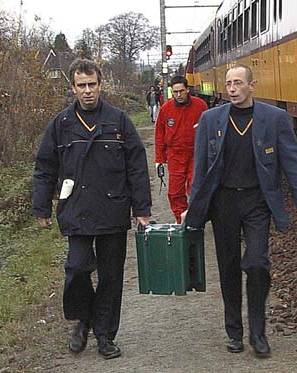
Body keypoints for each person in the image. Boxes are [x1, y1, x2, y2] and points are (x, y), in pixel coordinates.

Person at [182, 64, 297, 358]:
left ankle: (258, 331)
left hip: (256, 202)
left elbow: (292, 161)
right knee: (228, 268)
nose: (231, 88)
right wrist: (193, 209)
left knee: (256, 263)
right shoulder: (210, 119)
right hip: (223, 203)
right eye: (228, 83)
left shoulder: (274, 119)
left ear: (251, 86)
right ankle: (234, 333)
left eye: (238, 83)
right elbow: (201, 168)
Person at [32, 58, 151, 360]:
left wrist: (142, 207)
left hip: (112, 209)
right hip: (77, 210)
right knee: (77, 268)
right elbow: (45, 168)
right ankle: (82, 321)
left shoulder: (118, 120)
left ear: (100, 85)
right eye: (81, 86)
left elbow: (136, 165)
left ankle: (105, 335)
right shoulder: (61, 125)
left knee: (111, 277)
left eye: (92, 85)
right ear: (72, 88)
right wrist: (42, 207)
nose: (87, 91)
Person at [155, 75, 208, 223]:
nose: (179, 95)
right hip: (175, 155)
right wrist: (159, 159)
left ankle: (195, 219)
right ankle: (181, 221)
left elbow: (209, 130)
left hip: (195, 154)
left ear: (187, 90)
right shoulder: (166, 109)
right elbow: (159, 134)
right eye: (175, 92)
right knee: (175, 191)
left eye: (182, 91)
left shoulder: (200, 106)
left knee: (195, 187)